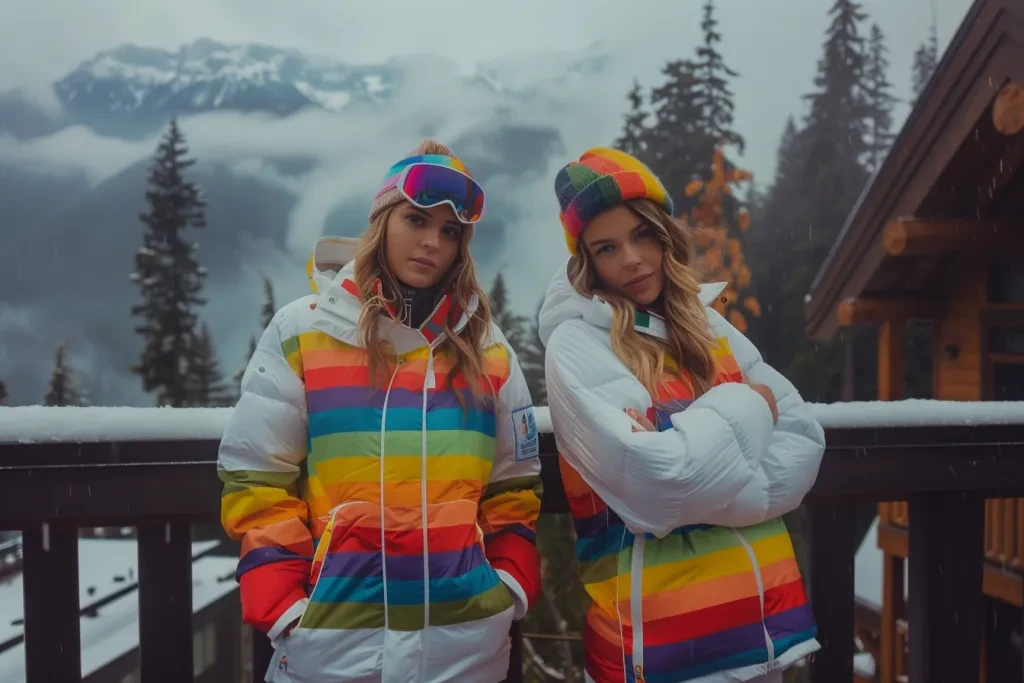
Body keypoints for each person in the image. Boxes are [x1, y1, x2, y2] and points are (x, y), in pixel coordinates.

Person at [218, 140, 543, 683]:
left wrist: (508, 589)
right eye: (417, 220)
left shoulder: (488, 349)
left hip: (466, 651)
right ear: (382, 220)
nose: (431, 242)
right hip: (330, 649)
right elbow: (257, 477)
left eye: (449, 231)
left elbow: (515, 485)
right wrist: (285, 607)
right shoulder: (306, 331)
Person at [539, 147, 826, 683]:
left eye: (642, 234)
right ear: (588, 262)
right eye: (607, 247)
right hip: (664, 650)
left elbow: (804, 441)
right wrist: (749, 406)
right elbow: (662, 482)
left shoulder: (705, 325)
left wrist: (693, 459)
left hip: (763, 635)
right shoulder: (577, 345)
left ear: (665, 233)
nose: (631, 259)